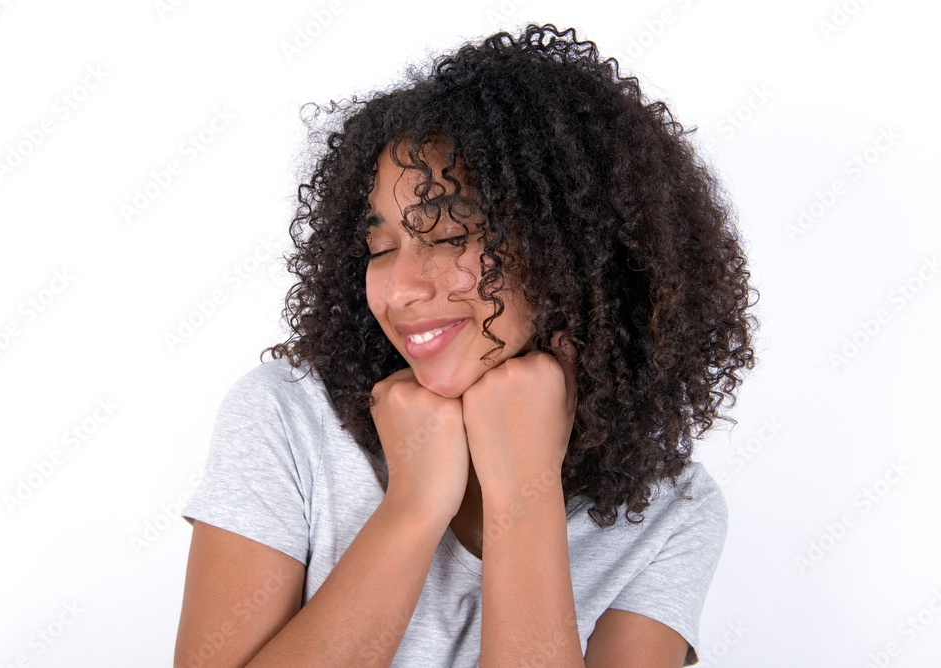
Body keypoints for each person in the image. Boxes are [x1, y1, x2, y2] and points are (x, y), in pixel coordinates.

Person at [175, 22, 757, 668]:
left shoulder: (669, 513)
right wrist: (415, 505)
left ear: (578, 251)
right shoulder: (287, 420)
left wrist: (524, 488)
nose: (398, 288)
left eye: (449, 234)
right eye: (380, 246)